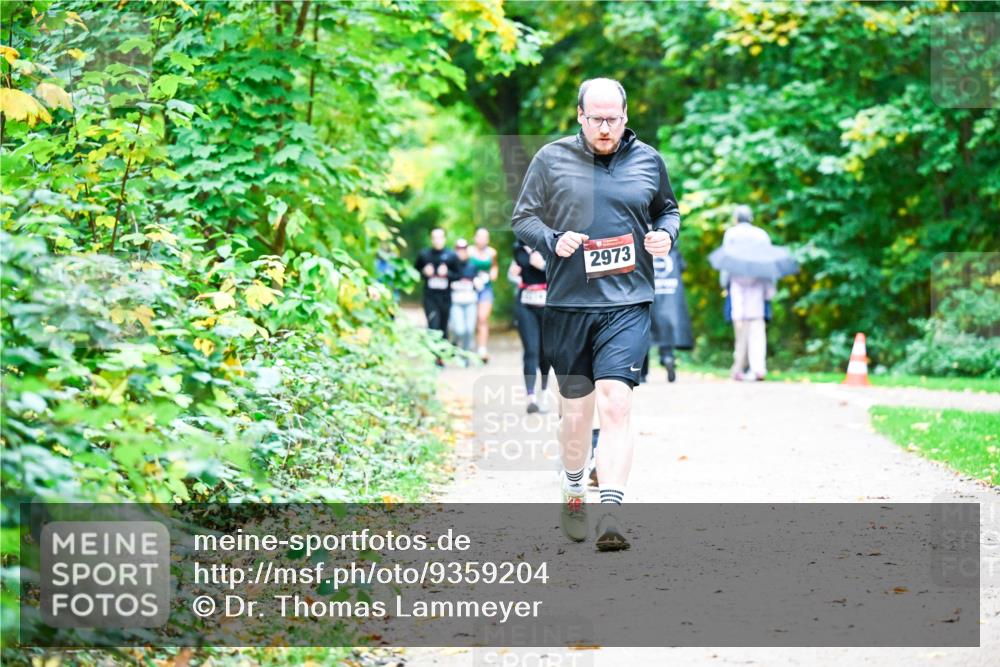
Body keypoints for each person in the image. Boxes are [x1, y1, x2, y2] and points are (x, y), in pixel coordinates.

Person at [511, 77, 680, 551]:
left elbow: (668, 211)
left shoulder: (648, 159)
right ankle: (571, 484)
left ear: (626, 117)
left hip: (627, 302)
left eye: (614, 119)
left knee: (616, 402)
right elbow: (523, 218)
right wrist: (551, 240)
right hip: (569, 304)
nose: (605, 128)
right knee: (576, 413)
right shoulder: (550, 159)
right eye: (596, 119)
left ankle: (610, 513)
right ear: (579, 116)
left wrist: (667, 235)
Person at [720, 205, 775, 381]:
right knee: (757, 327)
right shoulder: (762, 235)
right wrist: (770, 288)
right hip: (758, 284)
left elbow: (726, 261)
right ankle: (758, 368)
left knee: (741, 327)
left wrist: (723, 283)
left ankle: (738, 368)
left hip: (737, 284)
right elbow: (768, 263)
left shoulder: (731, 234)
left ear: (736, 218)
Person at [509, 240, 552, 414]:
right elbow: (514, 271)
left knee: (545, 353)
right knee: (531, 350)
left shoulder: (550, 242)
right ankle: (530, 396)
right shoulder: (518, 248)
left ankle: (543, 392)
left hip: (547, 305)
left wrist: (542, 266)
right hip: (525, 304)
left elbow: (563, 272)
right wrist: (513, 274)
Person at [642, 242, 694, 383]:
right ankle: (668, 358)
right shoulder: (673, 249)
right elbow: (682, 267)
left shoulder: (644, 245)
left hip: (649, 296)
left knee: (645, 333)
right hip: (670, 300)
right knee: (666, 332)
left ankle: (642, 373)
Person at [414, 228, 458, 365]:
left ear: (444, 239)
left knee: (443, 326)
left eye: (440, 237)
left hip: (445, 297)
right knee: (433, 325)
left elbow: (459, 275)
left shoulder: (451, 255)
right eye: (434, 237)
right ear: (431, 239)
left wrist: (448, 274)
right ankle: (434, 356)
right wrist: (424, 272)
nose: (437, 240)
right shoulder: (424, 255)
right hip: (430, 297)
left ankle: (441, 355)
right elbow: (414, 273)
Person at [467, 228, 498, 363]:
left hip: (485, 288)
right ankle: (467, 348)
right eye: (480, 237)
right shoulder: (469, 252)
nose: (482, 239)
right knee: (470, 319)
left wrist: (493, 273)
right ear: (475, 238)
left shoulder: (492, 252)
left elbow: (494, 267)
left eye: (485, 237)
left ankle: (482, 350)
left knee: (482, 318)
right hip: (469, 289)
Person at [449, 239, 479, 355]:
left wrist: (477, 282)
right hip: (456, 302)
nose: (461, 252)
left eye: (463, 249)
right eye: (458, 249)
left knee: (469, 330)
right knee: (459, 330)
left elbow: (478, 282)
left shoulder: (472, 266)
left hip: (471, 302)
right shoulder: (450, 266)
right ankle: (455, 343)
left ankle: (465, 355)